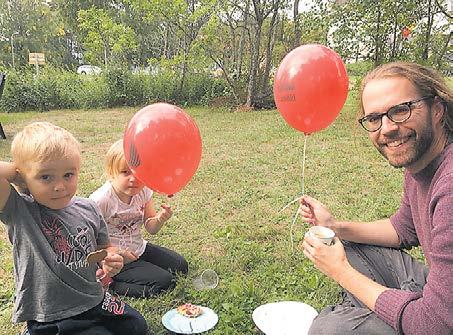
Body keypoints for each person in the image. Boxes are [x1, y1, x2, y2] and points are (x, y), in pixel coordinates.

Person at [299, 62, 453, 334]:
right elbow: (404, 228)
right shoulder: (420, 164)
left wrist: (341, 271)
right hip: (440, 300)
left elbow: (435, 324)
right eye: (374, 119)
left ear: (437, 110)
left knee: (329, 329)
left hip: (439, 321)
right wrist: (335, 227)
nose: (387, 128)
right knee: (347, 244)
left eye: (400, 110)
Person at [0, 122, 148, 335]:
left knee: (137, 327)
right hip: (53, 315)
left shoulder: (88, 208)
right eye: (45, 176)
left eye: (68, 174)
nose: (59, 186)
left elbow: (105, 247)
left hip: (95, 299)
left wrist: (111, 259)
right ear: (23, 176)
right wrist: (18, 176)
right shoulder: (20, 211)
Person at [89, 139, 188, 298]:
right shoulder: (101, 200)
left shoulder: (144, 191)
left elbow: (151, 228)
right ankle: (111, 285)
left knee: (181, 266)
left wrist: (160, 219)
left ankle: (142, 268)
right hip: (114, 260)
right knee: (165, 282)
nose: (133, 179)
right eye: (125, 172)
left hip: (138, 248)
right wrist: (118, 254)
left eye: (138, 172)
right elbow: (89, 241)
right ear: (111, 173)